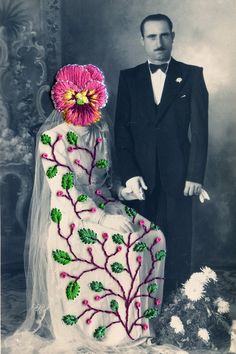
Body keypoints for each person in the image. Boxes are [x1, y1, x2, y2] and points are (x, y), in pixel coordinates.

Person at [5, 64, 191, 354]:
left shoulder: (99, 132)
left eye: (89, 95)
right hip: (74, 220)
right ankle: (118, 331)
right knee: (128, 243)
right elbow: (67, 193)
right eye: (76, 95)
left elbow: (104, 180)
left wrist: (123, 191)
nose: (83, 101)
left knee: (155, 236)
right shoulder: (52, 140)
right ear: (63, 99)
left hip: (105, 206)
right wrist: (104, 219)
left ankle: (142, 322)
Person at [114, 14, 209, 297]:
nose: (159, 42)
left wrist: (195, 175)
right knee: (141, 245)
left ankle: (177, 308)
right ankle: (142, 306)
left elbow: (200, 131)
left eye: (164, 35)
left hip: (180, 177)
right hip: (140, 181)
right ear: (141, 40)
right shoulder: (129, 78)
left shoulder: (192, 75)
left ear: (173, 36)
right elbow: (121, 133)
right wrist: (130, 174)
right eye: (152, 37)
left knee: (178, 242)